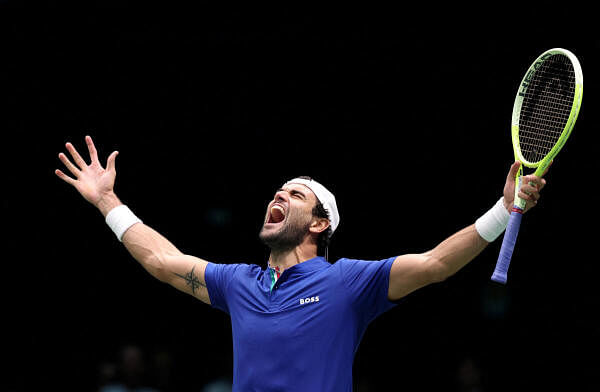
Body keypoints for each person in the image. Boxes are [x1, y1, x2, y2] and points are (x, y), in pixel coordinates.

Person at [55, 136, 546, 391]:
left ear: (319, 223)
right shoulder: (239, 282)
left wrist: (504, 210)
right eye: (278, 190)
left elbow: (437, 262)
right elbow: (164, 261)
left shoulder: (349, 282)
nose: (279, 194)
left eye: (294, 194)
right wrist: (107, 202)